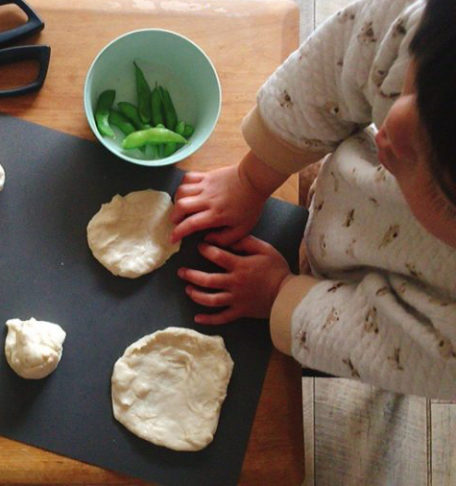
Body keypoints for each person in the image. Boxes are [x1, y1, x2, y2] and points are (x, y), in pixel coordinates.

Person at [170, 0, 455, 399]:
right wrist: (252, 178)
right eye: (415, 89)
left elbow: (395, 346)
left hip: (370, 298)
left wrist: (281, 296)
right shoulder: (436, 24)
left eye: (438, 184)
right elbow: (337, 62)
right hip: (344, 197)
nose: (392, 125)